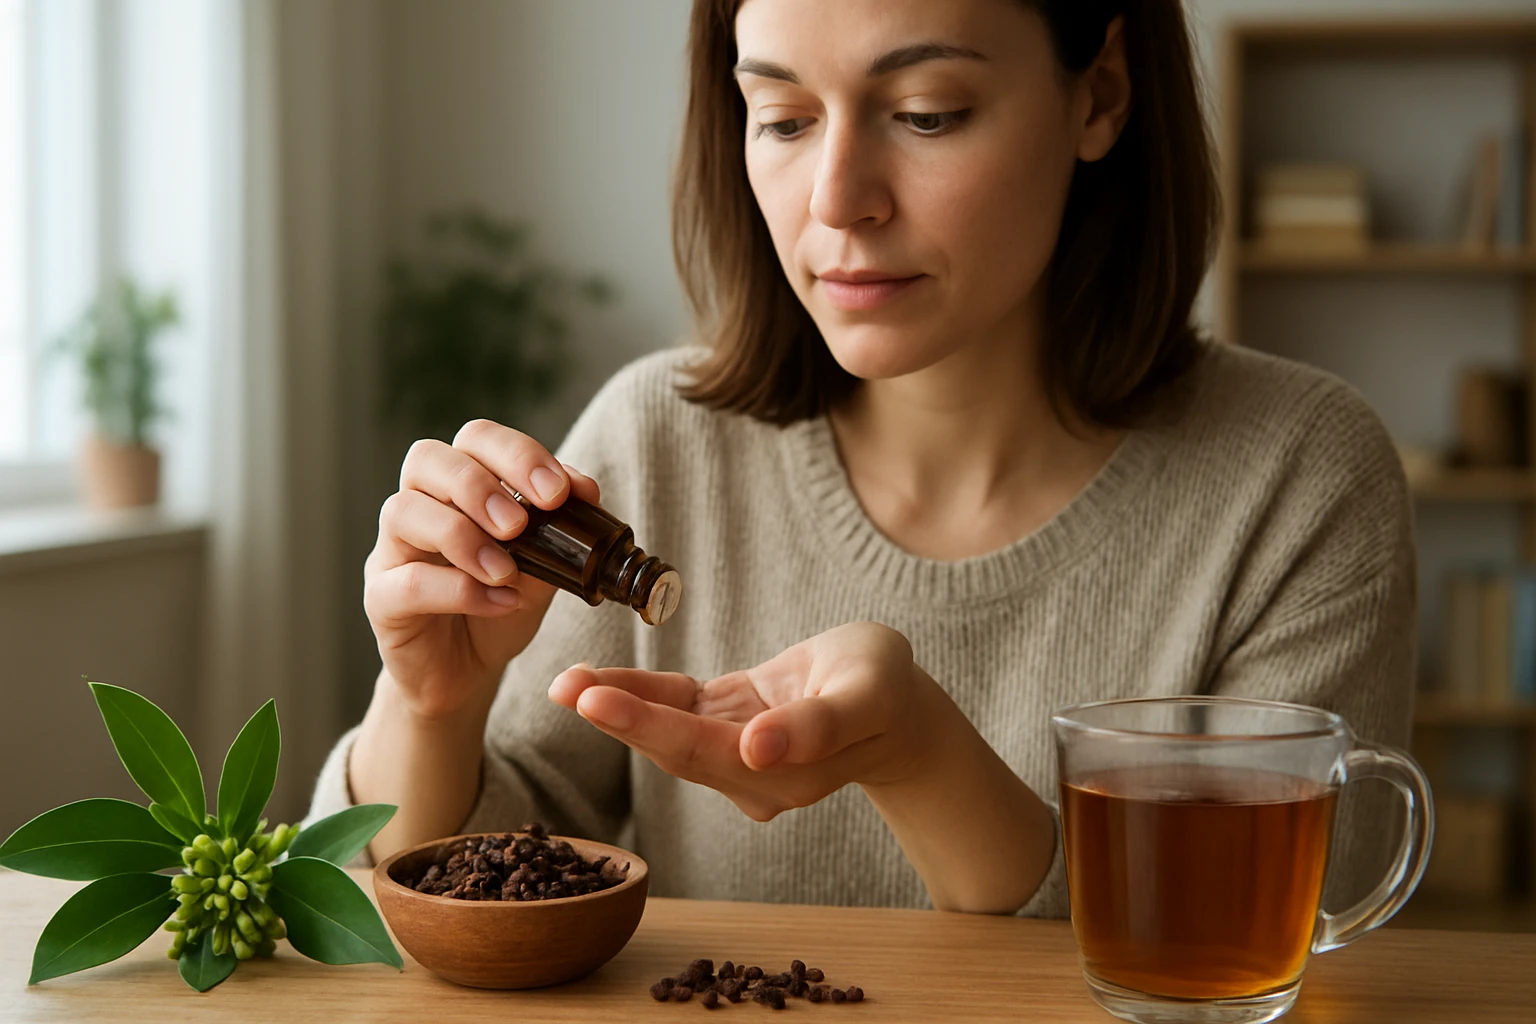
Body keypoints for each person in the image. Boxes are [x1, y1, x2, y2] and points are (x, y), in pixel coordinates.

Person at [306, 0, 1414, 917]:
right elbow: (456, 885)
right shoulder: (657, 438)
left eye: (928, 114)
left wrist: (928, 764)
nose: (836, 201)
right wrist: (430, 707)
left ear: (1102, 91)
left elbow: (1283, 943)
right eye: (782, 119)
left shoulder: (1301, 479)